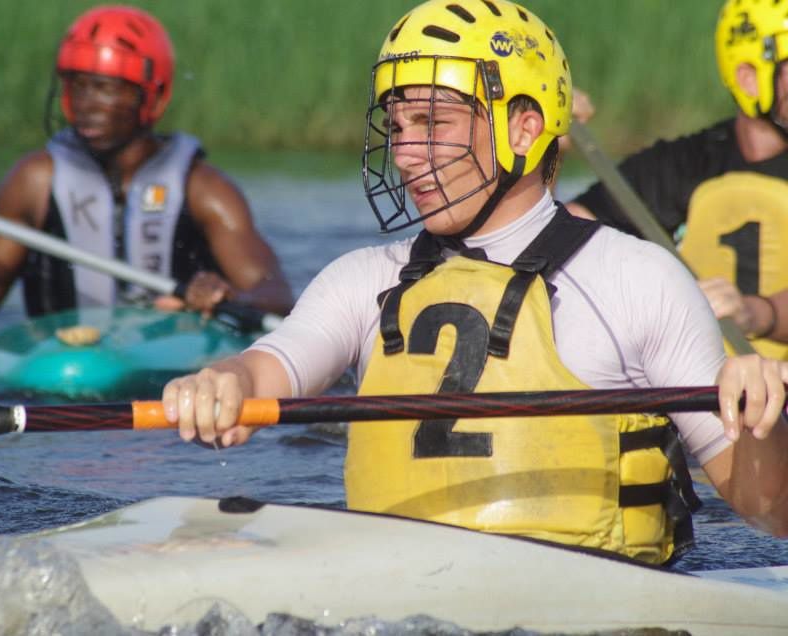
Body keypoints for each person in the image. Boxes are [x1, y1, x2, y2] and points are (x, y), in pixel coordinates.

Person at [160, 0, 788, 566]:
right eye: (399, 125)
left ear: (523, 128)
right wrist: (224, 382)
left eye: (434, 123)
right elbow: (269, 369)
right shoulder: (360, 281)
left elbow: (770, 512)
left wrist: (761, 414)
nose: (406, 152)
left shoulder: (638, 280)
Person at [0, 5, 292, 326]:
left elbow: (275, 294)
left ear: (151, 96)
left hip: (173, 373)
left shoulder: (204, 189)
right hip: (60, 374)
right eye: (78, 86)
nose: (86, 103)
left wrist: (222, 296)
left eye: (105, 88)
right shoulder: (34, 181)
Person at [567, 0, 788, 356]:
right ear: (750, 78)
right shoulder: (683, 164)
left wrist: (755, 314)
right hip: (700, 392)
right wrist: (546, 154)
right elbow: (562, 241)